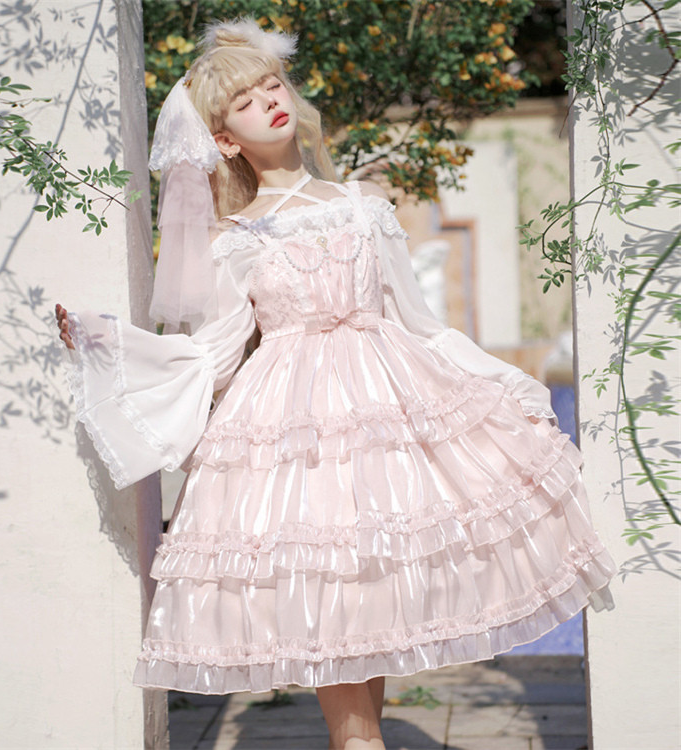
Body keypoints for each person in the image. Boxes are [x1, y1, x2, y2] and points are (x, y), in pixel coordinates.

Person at [56, 19, 616, 750]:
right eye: (245, 102)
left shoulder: (363, 205)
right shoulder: (234, 240)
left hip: (388, 414)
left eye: (272, 85)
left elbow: (419, 323)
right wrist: (110, 343)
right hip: (296, 433)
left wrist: (506, 386)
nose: (269, 101)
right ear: (225, 141)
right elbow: (212, 356)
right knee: (329, 592)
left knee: (369, 592)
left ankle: (358, 741)